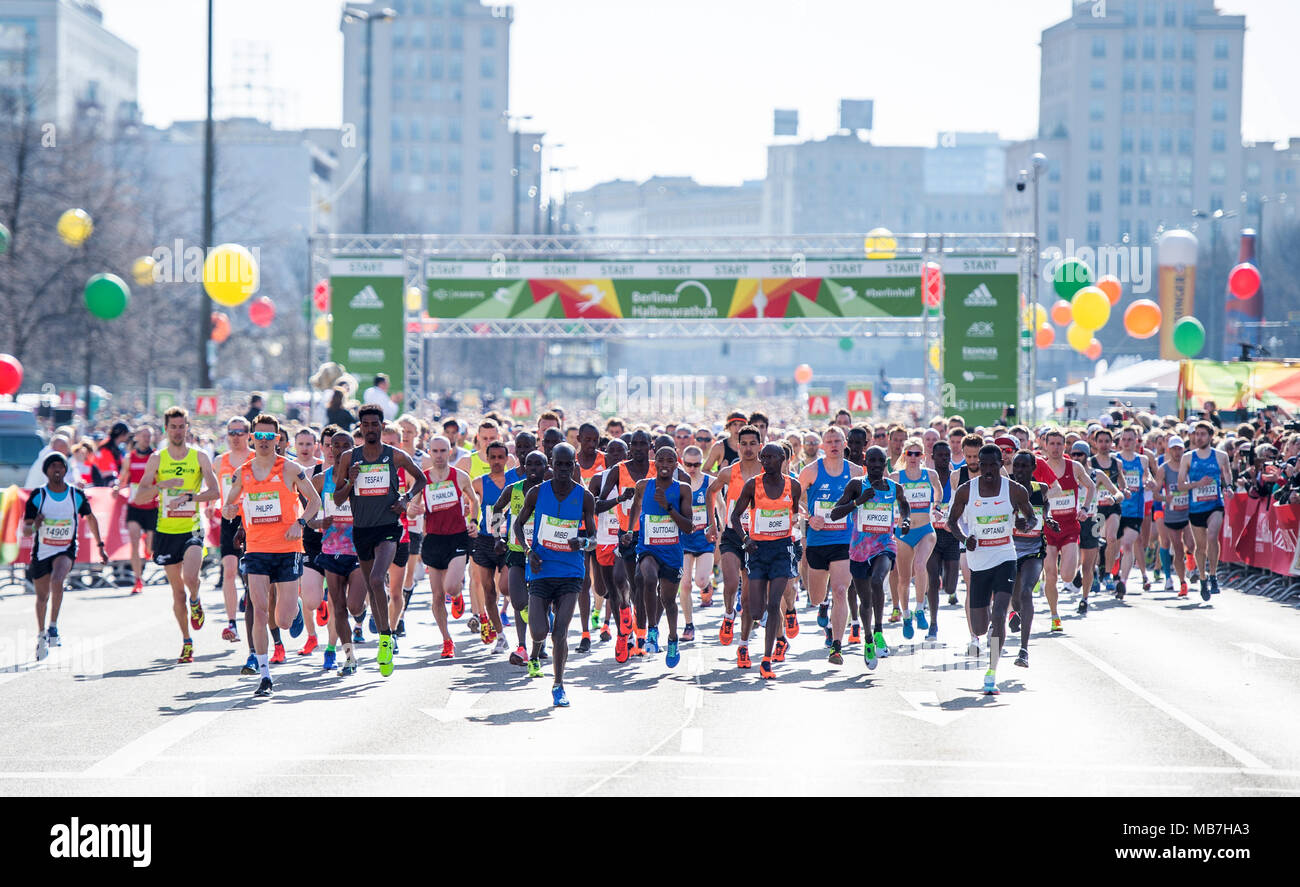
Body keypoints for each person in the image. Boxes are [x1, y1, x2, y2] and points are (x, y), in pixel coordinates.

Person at [222, 413, 322, 697]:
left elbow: (314, 500)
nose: (264, 442)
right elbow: (229, 506)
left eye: (270, 437)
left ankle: (297, 607)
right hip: (256, 550)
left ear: (277, 440)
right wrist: (228, 511)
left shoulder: (289, 469)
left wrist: (300, 523)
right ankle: (264, 675)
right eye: (259, 436)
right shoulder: (243, 472)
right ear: (252, 438)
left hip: (288, 549)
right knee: (260, 610)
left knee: (284, 620)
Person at [333, 404, 427, 677]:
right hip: (362, 529)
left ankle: (386, 637)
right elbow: (338, 498)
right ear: (360, 428)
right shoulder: (350, 458)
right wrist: (350, 482)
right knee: (374, 590)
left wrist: (406, 499)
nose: (371, 429)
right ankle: (384, 632)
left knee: (376, 580)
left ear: (382, 427)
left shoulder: (394, 455)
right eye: (367, 425)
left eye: (376, 424)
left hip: (389, 527)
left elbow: (420, 480)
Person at [945, 443, 1036, 696]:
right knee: (980, 627)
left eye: (991, 465)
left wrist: (1025, 525)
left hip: (1005, 556)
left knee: (999, 613)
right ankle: (987, 638)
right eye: (982, 465)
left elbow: (1032, 518)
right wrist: (964, 540)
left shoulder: (1014, 490)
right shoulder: (966, 491)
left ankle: (991, 673)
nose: (986, 470)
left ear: (1000, 464)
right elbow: (951, 522)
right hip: (978, 562)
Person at [132, 407, 221, 664]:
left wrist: (193, 497)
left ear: (188, 428)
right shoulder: (157, 459)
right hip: (166, 531)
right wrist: (162, 486)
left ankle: (197, 600)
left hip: (191, 527)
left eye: (182, 426)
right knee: (176, 593)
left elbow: (214, 492)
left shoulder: (200, 457)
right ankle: (186, 641)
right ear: (166, 429)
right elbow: (140, 497)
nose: (178, 431)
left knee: (191, 577)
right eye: (173, 427)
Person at [515, 443, 596, 707]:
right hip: (541, 569)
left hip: (571, 573)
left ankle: (558, 685)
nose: (563, 469)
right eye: (558, 464)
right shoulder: (538, 493)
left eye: (568, 464)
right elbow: (518, 523)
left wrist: (582, 543)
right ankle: (540, 634)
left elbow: (594, 539)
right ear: (552, 464)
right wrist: (528, 551)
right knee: (539, 632)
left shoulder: (584, 497)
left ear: (575, 465)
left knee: (559, 632)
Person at [830, 445, 910, 668]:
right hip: (858, 550)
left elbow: (905, 507)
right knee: (864, 601)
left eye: (880, 462)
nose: (875, 466)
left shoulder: (895, 488)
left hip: (885, 545)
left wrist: (906, 521)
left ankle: (879, 632)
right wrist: (858, 501)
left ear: (886, 464)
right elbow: (835, 513)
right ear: (866, 463)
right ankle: (867, 639)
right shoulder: (857, 485)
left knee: (878, 580)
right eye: (871, 461)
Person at [24, 453, 107, 660]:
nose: (57, 469)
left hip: (65, 549)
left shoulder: (75, 495)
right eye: (52, 466)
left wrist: (100, 545)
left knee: (58, 579)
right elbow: (26, 530)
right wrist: (36, 524)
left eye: (60, 465)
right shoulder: (38, 496)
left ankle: (53, 627)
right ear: (46, 471)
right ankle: (41, 634)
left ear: (66, 469)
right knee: (42, 597)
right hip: (42, 551)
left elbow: (90, 517)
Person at [730, 443, 802, 679]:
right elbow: (735, 516)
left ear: (782, 458)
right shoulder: (753, 485)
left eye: (771, 457)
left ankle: (767, 659)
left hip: (782, 549)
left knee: (774, 604)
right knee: (756, 611)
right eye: (764, 457)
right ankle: (770, 636)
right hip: (757, 550)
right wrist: (745, 539)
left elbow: (793, 514)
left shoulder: (794, 486)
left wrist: (793, 532)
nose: (766, 461)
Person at [798, 425, 862, 662]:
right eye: (829, 441)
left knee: (841, 590)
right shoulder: (811, 471)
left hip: (845, 540)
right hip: (817, 541)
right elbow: (791, 498)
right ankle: (822, 604)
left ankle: (837, 646)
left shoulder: (855, 471)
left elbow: (866, 502)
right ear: (822, 446)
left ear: (844, 444)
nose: (834, 445)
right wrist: (808, 517)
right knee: (816, 596)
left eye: (838, 441)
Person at [627, 445, 694, 668]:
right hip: (648, 548)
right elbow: (636, 507)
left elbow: (688, 527)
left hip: (673, 552)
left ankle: (673, 638)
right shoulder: (643, 486)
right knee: (647, 577)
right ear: (654, 462)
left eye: (669, 461)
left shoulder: (683, 489)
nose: (664, 464)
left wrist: (668, 507)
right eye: (660, 460)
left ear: (676, 464)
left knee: (668, 600)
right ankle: (652, 629)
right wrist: (629, 530)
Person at [420, 435, 479, 658]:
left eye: (443, 451)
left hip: (457, 537)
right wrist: (413, 511)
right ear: (429, 452)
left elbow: (474, 500)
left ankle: (456, 595)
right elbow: (412, 506)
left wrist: (473, 521)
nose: (439, 455)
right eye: (434, 451)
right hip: (434, 539)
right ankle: (447, 640)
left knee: (451, 587)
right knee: (436, 596)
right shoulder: (423, 479)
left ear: (450, 452)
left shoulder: (460, 476)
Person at [705, 424, 763, 646]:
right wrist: (714, 523)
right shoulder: (729, 472)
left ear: (760, 445)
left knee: (748, 599)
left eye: (752, 444)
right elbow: (711, 492)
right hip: (731, 534)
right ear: (737, 447)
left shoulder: (767, 472)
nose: (748, 449)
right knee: (730, 584)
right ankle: (729, 615)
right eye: (744, 444)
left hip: (758, 538)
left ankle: (744, 644)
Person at [313, 429, 365, 673]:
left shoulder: (364, 476)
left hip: (358, 550)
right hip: (331, 549)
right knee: (338, 607)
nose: (340, 449)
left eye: (346, 445)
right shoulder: (320, 480)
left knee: (354, 606)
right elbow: (308, 517)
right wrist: (317, 523)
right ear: (328, 448)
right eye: (336, 445)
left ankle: (367, 604)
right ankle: (349, 657)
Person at [1033, 428, 1095, 631]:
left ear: (1064, 445)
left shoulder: (1074, 467)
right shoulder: (1039, 466)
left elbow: (1091, 487)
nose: (1056, 448)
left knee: (1067, 576)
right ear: (1045, 444)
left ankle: (1069, 572)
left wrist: (1085, 507)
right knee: (1051, 575)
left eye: (1060, 444)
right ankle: (1054, 615)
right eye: (1052, 443)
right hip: (1048, 527)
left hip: (1069, 528)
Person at [1008, 452, 1059, 667]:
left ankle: (1024, 650)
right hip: (1008, 549)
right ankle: (1016, 611)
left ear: (1033, 468)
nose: (1019, 471)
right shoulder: (1006, 489)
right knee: (1015, 598)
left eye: (1024, 467)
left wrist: (1048, 518)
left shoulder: (1041, 488)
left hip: (1033, 548)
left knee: (1027, 591)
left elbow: (1044, 506)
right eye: (1016, 466)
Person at [890, 438, 943, 640]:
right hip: (903, 532)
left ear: (923, 456)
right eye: (909, 453)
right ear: (904, 455)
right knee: (903, 579)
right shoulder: (896, 476)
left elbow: (938, 490)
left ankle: (920, 609)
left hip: (925, 529)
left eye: (917, 454)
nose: (913, 457)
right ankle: (905, 615)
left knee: (921, 565)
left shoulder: (930, 474)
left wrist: (936, 507)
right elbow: (886, 498)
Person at [1177, 420, 1231, 599]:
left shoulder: (1220, 456)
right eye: (1196, 434)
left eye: (1202, 434)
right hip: (1196, 507)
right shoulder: (1188, 457)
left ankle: (1213, 575)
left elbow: (1227, 474)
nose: (1198, 437)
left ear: (1210, 436)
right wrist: (1197, 484)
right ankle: (1202, 578)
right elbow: (1180, 485)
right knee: (1201, 547)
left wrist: (1228, 487)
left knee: (1212, 536)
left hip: (1215, 504)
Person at [213, 416, 252, 654]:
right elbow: (216, 489)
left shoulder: (255, 458)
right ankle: (231, 624)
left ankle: (251, 606)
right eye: (232, 432)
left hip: (253, 519)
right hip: (228, 518)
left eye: (240, 432)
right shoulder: (220, 461)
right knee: (229, 568)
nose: (235, 436)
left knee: (251, 574)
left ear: (249, 434)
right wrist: (210, 504)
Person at [676, 444, 714, 642]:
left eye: (696, 464)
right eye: (688, 464)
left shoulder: (709, 482)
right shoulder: (676, 483)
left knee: (700, 581)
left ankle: (707, 587)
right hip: (683, 540)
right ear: (682, 462)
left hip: (704, 539)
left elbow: (721, 505)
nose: (692, 468)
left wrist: (720, 526)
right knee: (685, 584)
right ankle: (689, 625)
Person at [116, 425, 157, 593]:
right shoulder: (129, 458)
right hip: (134, 505)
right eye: (144, 435)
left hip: (152, 505)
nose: (146, 438)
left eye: (149, 436)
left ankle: (148, 551)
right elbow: (123, 478)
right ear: (138, 437)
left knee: (149, 547)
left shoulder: (156, 457)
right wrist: (117, 488)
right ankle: (137, 580)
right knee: (134, 541)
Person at [1157, 435, 1194, 598]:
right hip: (1172, 515)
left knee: (1191, 544)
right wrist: (1166, 498)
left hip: (1188, 513)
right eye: (1174, 449)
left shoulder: (1189, 465)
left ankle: (1191, 561)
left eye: (1180, 448)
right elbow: (1156, 494)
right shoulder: (1163, 469)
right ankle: (1183, 582)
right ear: (1169, 450)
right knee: (1177, 551)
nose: (1177, 452)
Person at [90, 422, 130, 487]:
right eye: (127, 433)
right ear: (122, 434)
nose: (128, 436)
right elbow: (105, 471)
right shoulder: (105, 447)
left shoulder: (117, 447)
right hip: (104, 484)